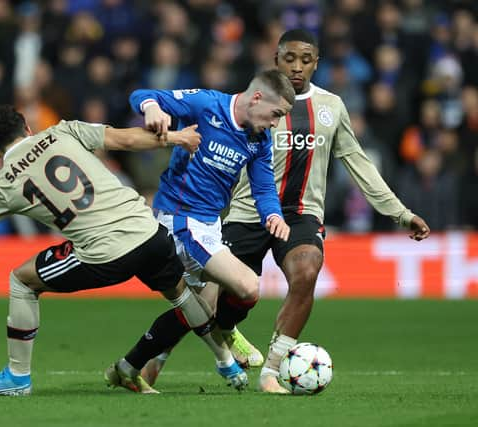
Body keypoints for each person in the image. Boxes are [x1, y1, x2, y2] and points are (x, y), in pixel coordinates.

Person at [136, 29, 431, 393]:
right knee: (206, 297)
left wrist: (400, 212)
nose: (297, 66)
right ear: (276, 60)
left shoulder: (331, 107)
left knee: (306, 272)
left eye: (305, 60)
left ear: (316, 63)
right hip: (246, 212)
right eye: (289, 58)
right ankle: (153, 363)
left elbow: (358, 162)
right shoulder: (254, 101)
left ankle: (272, 372)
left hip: (301, 214)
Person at [0, 105, 239, 396]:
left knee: (21, 280)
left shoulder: (2, 183)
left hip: (106, 254)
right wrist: (175, 137)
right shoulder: (62, 131)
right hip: (149, 231)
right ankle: (227, 363)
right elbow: (123, 140)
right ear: (28, 128)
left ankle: (17, 378)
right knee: (178, 292)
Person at [105, 69, 295, 391]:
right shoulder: (207, 104)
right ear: (258, 98)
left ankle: (127, 367)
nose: (275, 123)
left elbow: (263, 188)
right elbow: (142, 95)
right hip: (179, 218)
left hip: (210, 223)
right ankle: (224, 332)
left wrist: (273, 216)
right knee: (247, 287)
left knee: (196, 308)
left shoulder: (259, 140)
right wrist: (152, 108)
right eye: (276, 114)